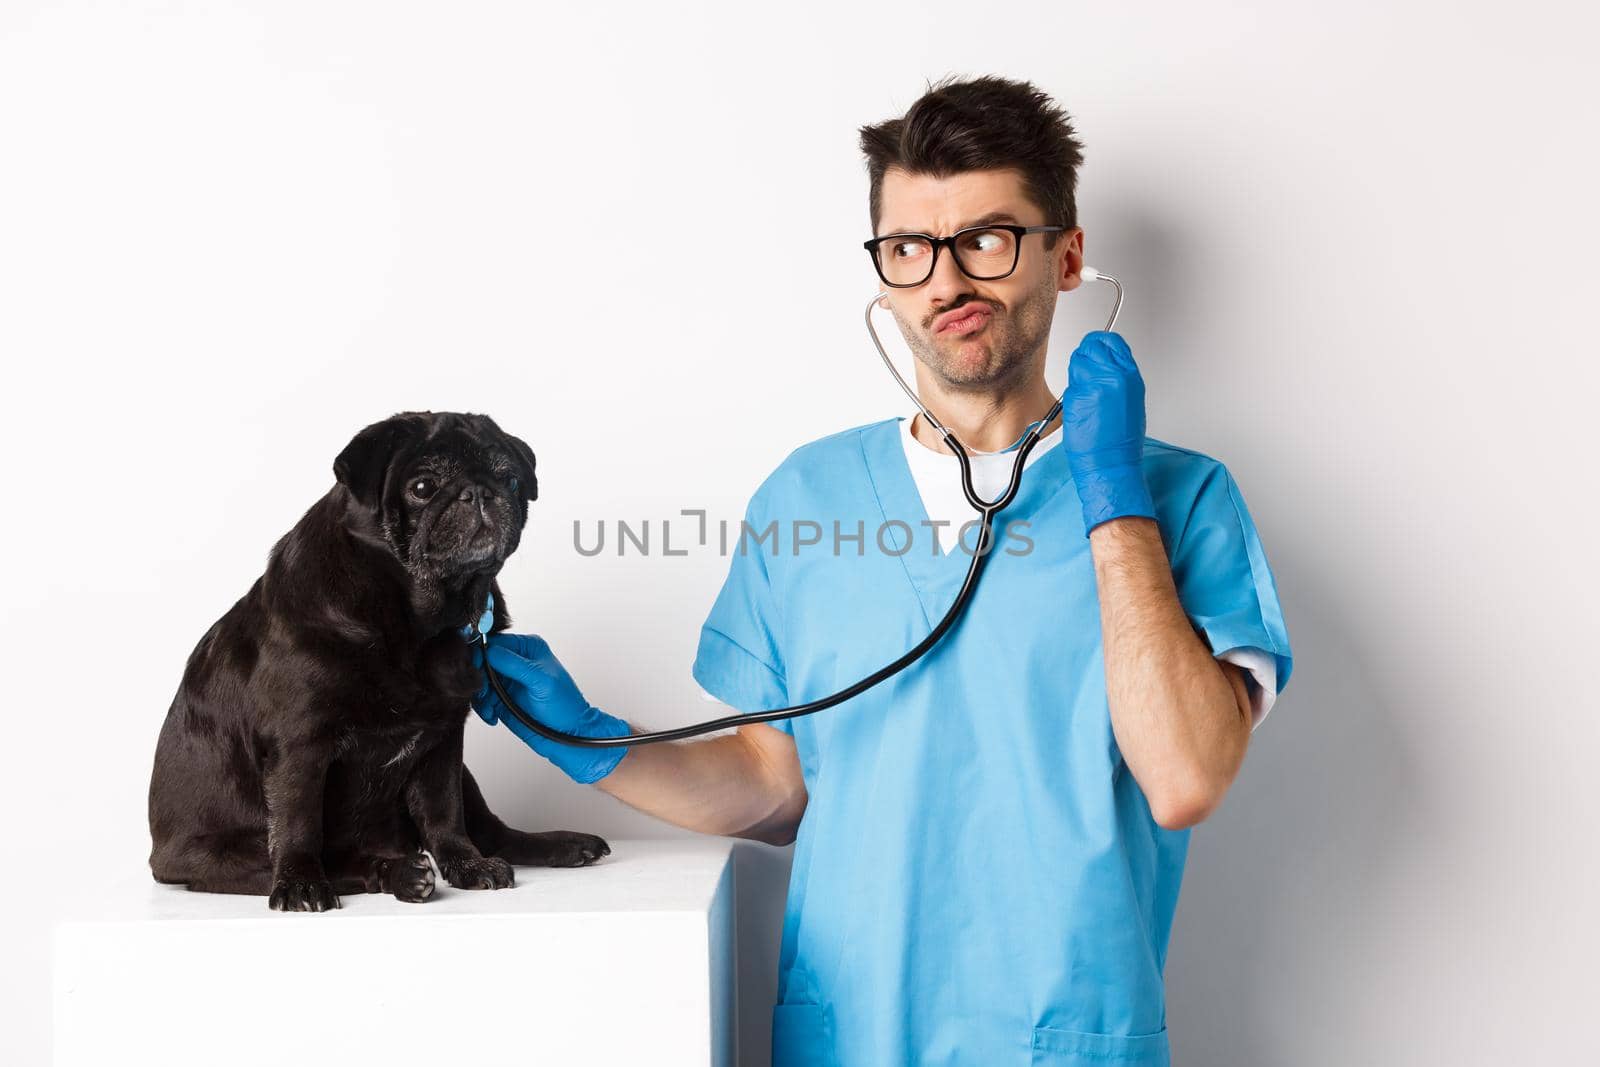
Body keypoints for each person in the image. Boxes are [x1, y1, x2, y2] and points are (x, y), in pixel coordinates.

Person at [473, 74, 1293, 1067]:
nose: (945, 281)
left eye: (985, 238)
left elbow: (1184, 778)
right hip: (848, 1036)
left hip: (1064, 1038)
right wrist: (589, 741)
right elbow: (775, 788)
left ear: (1066, 255)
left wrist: (1111, 495)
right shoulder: (808, 497)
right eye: (909, 248)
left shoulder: (1185, 501)